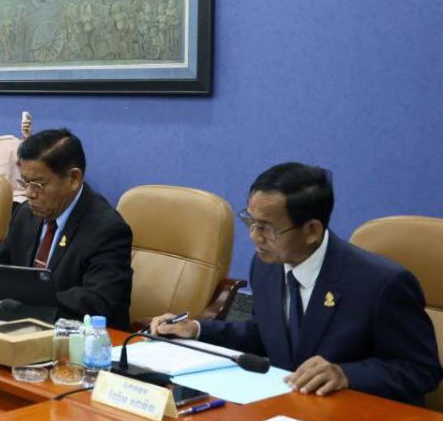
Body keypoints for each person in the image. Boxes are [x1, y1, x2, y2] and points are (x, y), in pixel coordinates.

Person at [151, 163, 442, 405]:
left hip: (358, 419)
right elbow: (264, 334)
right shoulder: (267, 265)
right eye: (251, 222)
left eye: (267, 228)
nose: (254, 236)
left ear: (312, 230)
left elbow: (421, 370)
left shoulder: (381, 284)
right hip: (289, 409)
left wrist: (346, 374)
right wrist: (197, 329)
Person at [0, 128, 133, 330]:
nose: (29, 193)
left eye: (39, 184)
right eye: (25, 182)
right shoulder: (26, 214)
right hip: (20, 329)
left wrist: (16, 305)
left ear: (73, 178)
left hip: (82, 339)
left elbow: (95, 301)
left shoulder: (107, 229)